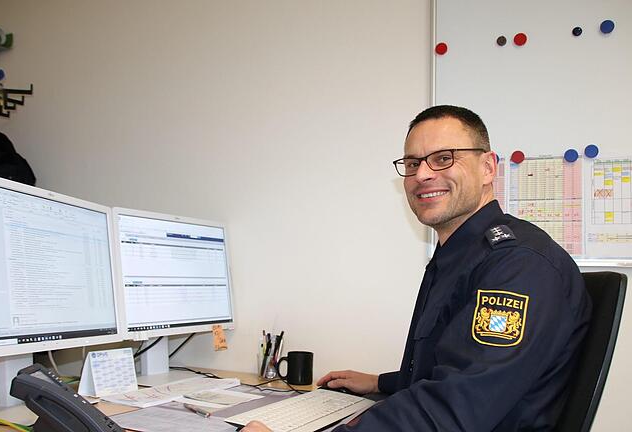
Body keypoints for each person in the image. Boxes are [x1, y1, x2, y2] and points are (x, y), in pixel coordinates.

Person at [242, 105, 591, 431]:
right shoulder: (458, 255)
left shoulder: (518, 266)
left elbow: (455, 408)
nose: (422, 174)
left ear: (487, 168)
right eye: (412, 164)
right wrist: (381, 383)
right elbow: (460, 368)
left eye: (443, 159)